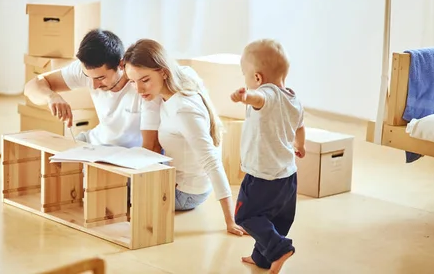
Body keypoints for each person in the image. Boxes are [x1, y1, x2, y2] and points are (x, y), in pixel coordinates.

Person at [123, 38, 246, 237]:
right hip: (180, 181)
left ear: (163, 71)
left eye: (144, 80)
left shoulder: (183, 110)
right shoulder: (174, 89)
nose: (138, 90)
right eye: (132, 82)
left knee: (117, 185)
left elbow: (211, 161)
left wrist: (230, 221)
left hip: (187, 194)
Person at [229, 38, 306, 273]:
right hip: (287, 176)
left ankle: (279, 248)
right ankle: (263, 258)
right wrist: (299, 145)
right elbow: (300, 127)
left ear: (258, 78)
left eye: (245, 74)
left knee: (245, 215)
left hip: (262, 176)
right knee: (276, 220)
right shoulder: (294, 99)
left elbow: (260, 99)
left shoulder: (266, 94)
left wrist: (245, 97)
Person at [24, 29, 159, 149]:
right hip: (94, 143)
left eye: (100, 78)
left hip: (128, 154)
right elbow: (32, 86)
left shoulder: (142, 85)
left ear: (121, 65)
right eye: (88, 77)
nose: (94, 85)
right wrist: (51, 97)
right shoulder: (88, 71)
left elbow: (150, 147)